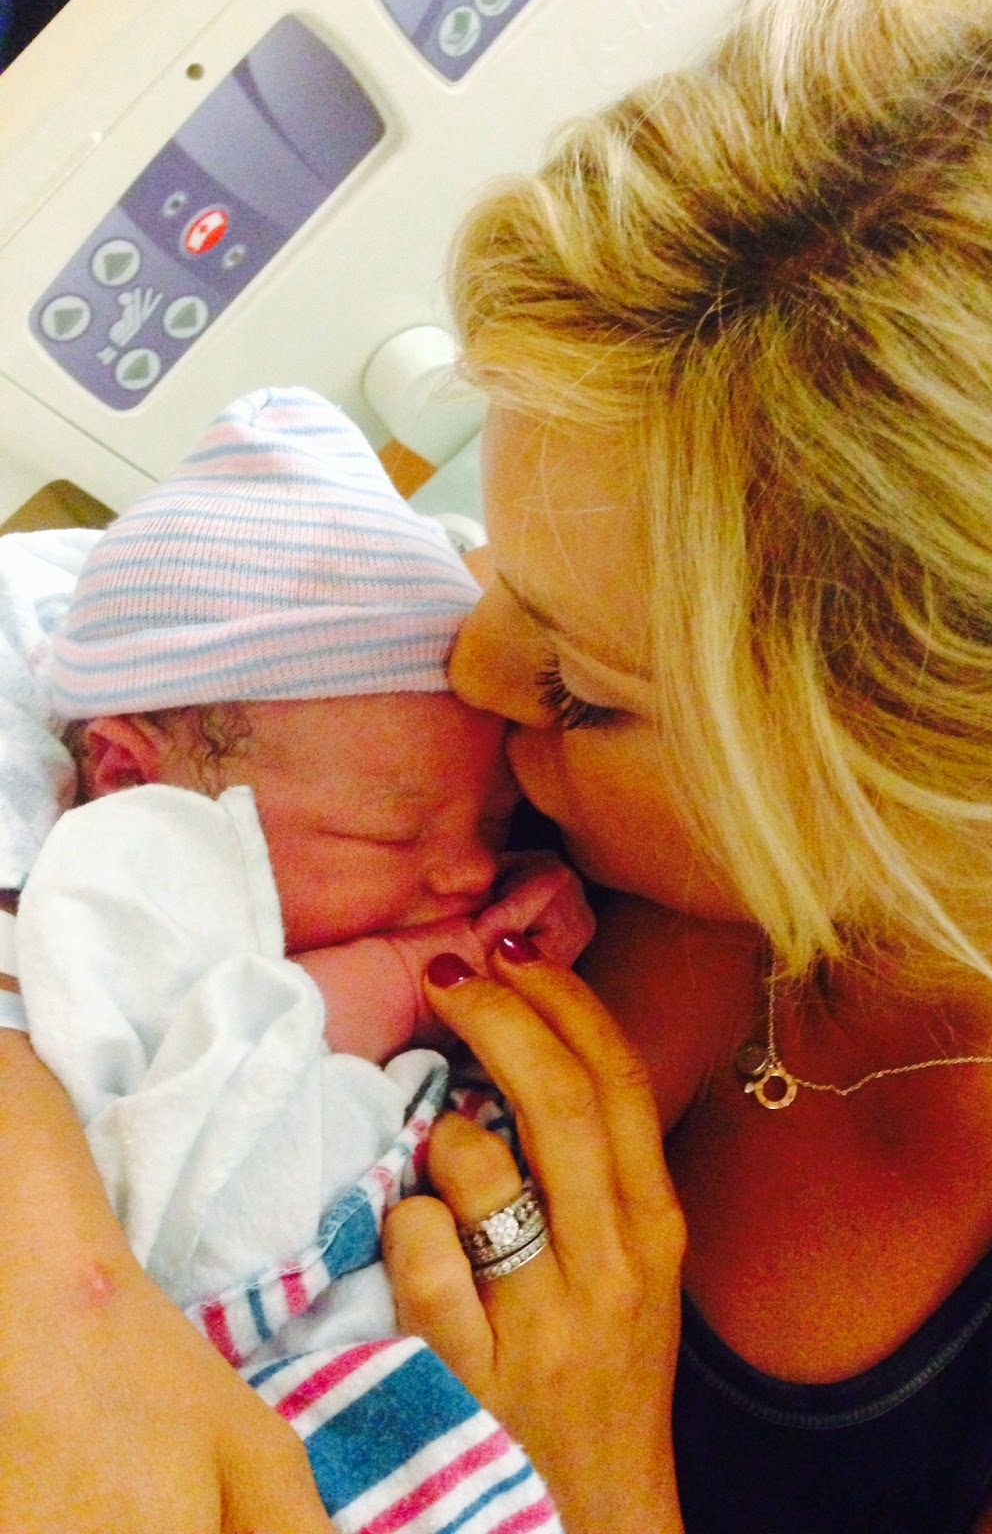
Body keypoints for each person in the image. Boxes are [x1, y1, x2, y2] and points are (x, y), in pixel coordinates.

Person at [2, 0, 992, 1529]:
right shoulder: (539, 689)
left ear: (932, 809)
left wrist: (605, 1491)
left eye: (580, 687)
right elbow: (64, 666)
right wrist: (51, 1261)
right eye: (494, 560)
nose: (471, 663)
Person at [7, 385, 590, 1532]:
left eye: (493, 821)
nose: (467, 872)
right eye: (392, 835)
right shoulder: (115, 878)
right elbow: (220, 1081)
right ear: (133, 778)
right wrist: (416, 969)